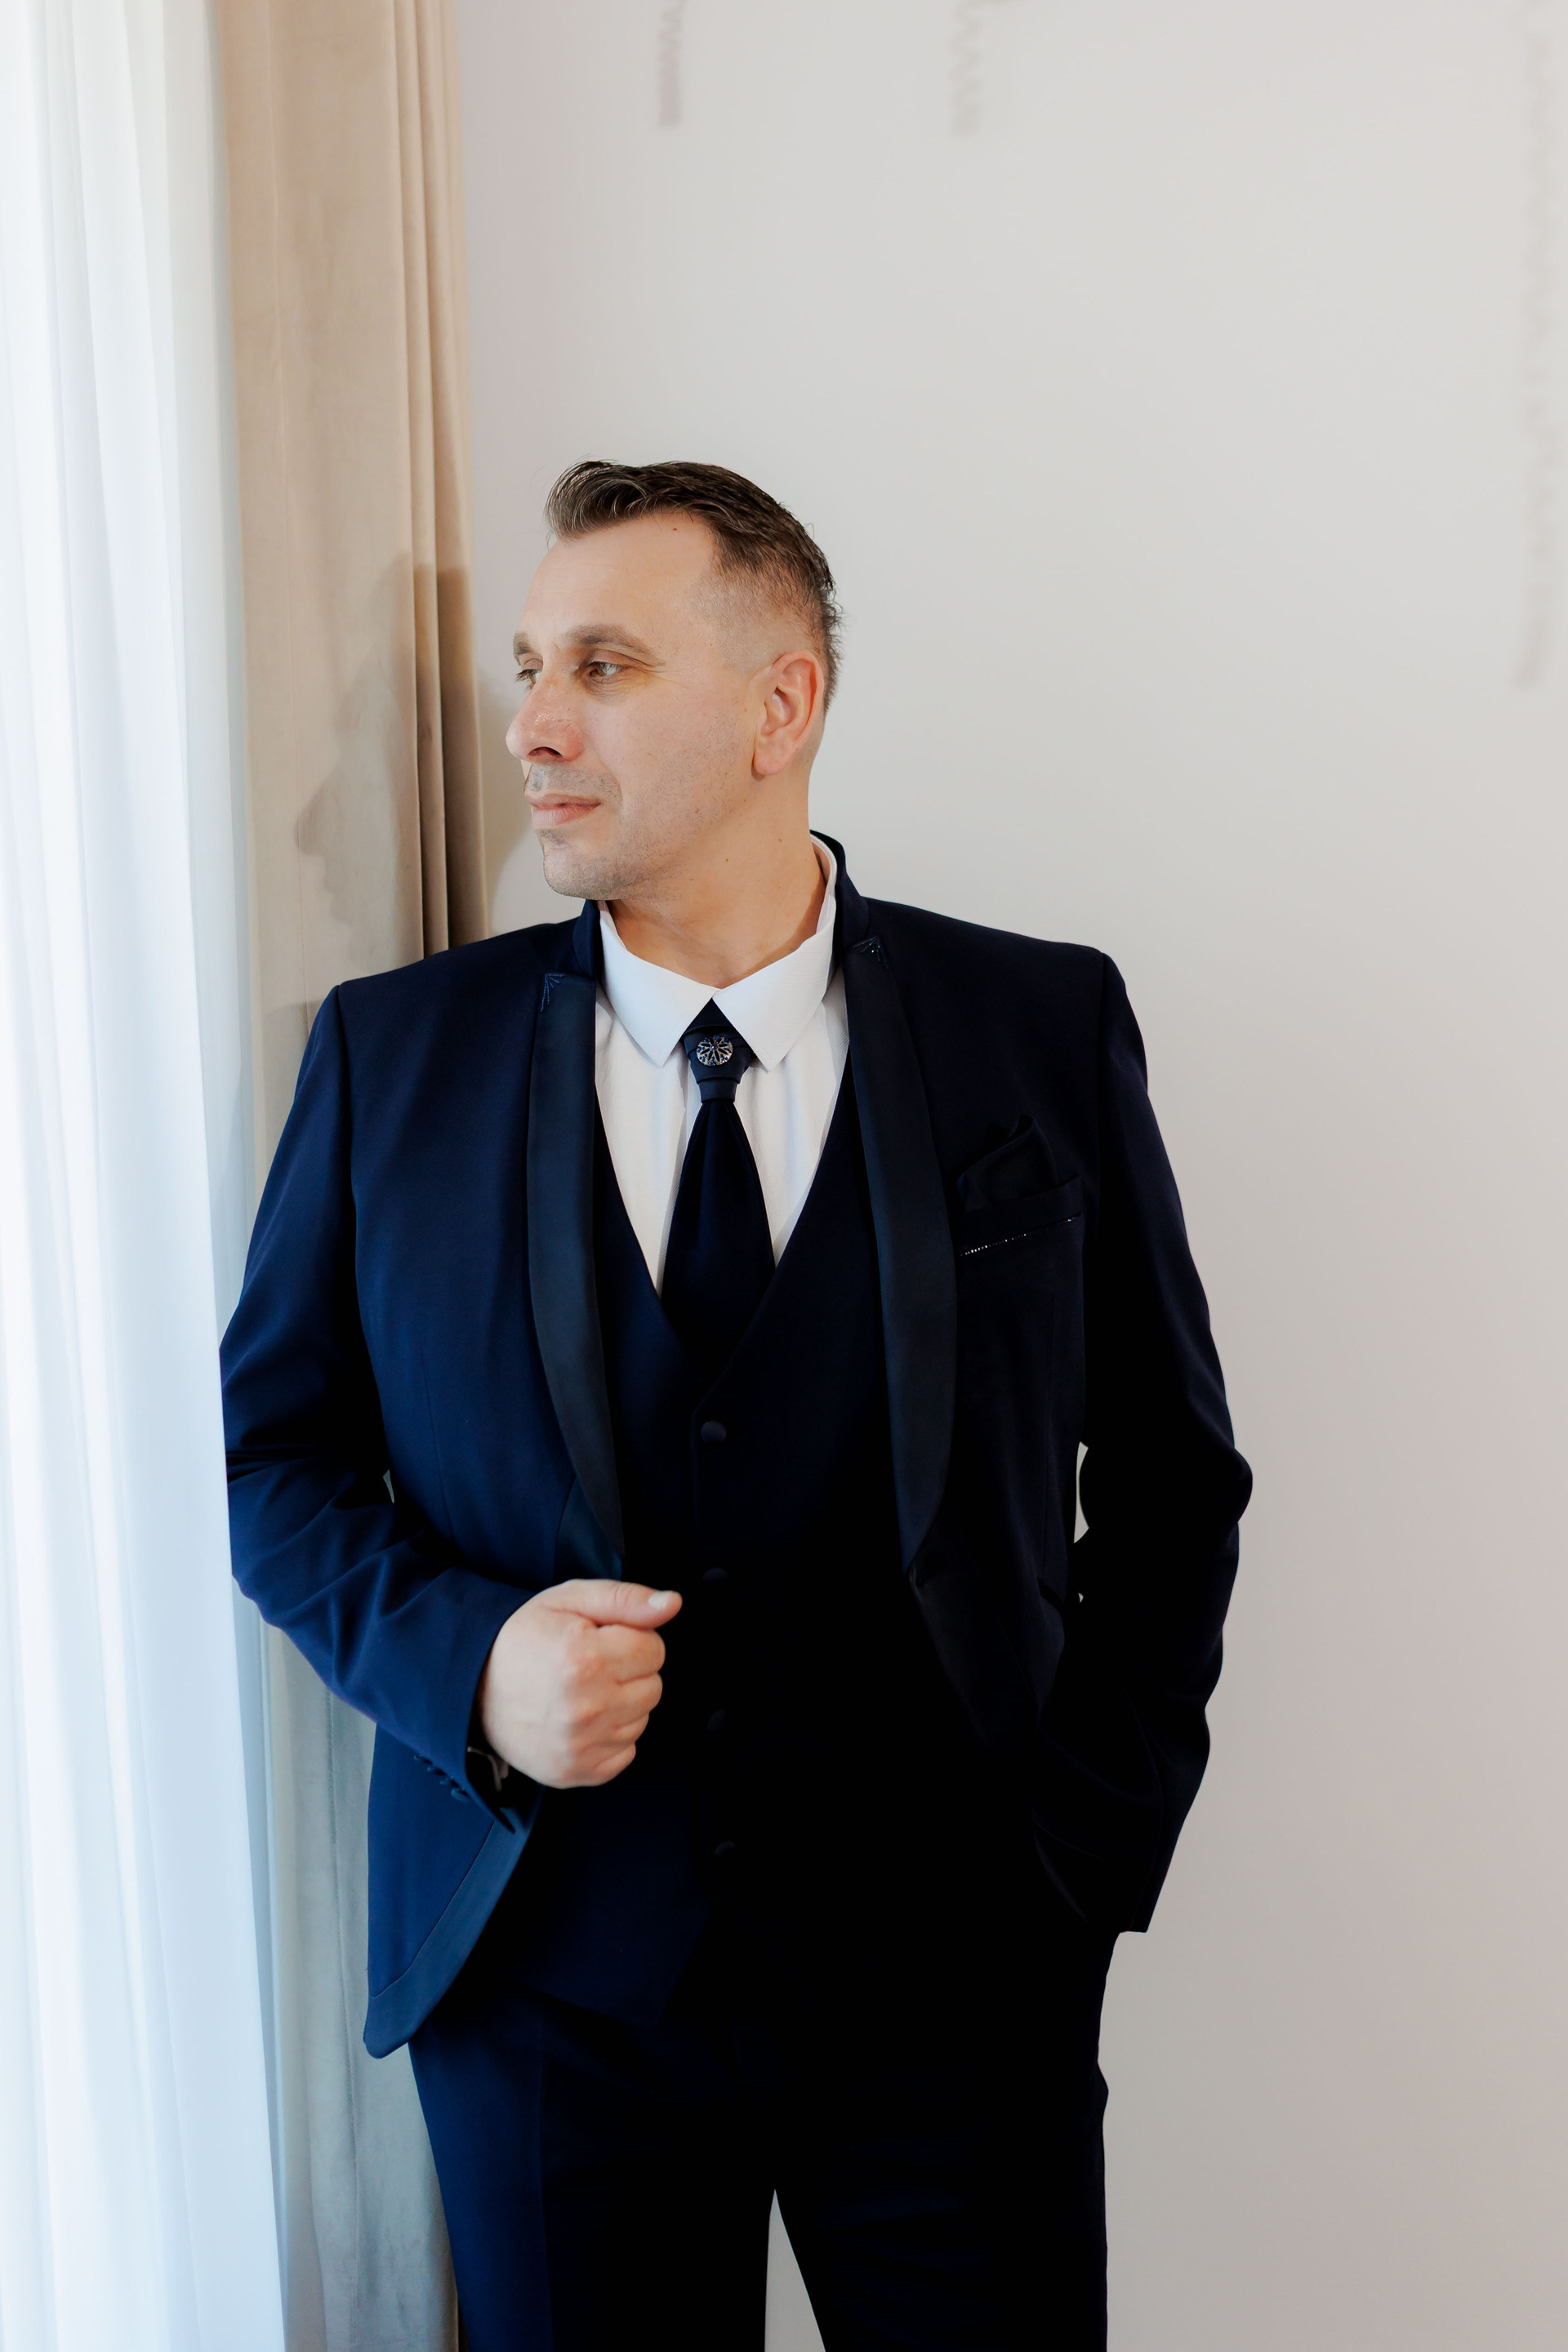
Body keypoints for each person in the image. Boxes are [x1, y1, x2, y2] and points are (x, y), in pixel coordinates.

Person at [222, 459, 1251, 2350]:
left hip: (961, 1996)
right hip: (551, 1993)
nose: (532, 726)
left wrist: (1084, 1857)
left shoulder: (1038, 1025)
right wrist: (471, 1665)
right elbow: (274, 1463)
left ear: (784, 705)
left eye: (602, 666)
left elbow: (1175, 1476)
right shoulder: (395, 1059)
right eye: (530, 667)